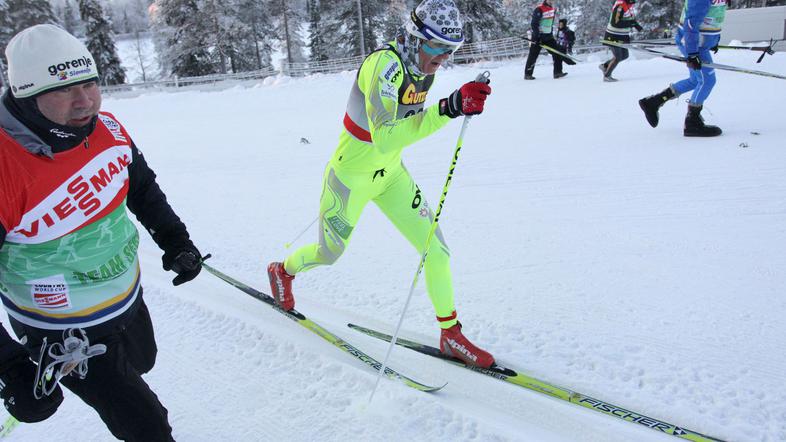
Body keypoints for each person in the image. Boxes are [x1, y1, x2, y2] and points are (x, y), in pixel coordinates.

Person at [0, 25, 202, 440]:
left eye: (90, 83)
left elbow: (142, 188)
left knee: (143, 360)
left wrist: (176, 240)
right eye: (63, 91)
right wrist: (9, 366)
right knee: (148, 426)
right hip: (59, 329)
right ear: (26, 96)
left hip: (123, 297)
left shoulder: (107, 128)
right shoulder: (6, 165)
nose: (84, 101)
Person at [267, 0, 495, 369]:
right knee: (329, 253)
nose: (443, 57)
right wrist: (450, 106)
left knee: (437, 251)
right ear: (417, 37)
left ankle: (450, 333)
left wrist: (455, 106)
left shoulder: (422, 69)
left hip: (391, 177)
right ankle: (282, 270)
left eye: (450, 50)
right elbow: (387, 136)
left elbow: (410, 129)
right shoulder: (383, 66)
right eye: (437, 47)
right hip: (350, 179)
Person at [638, 0, 726, 137]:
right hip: (693, 44)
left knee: (695, 80)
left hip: (699, 43)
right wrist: (692, 53)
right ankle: (692, 122)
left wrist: (714, 40)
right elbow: (690, 24)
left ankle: (653, 102)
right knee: (707, 81)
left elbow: (715, 15)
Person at [600, 0, 643, 82]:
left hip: (622, 36)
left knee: (625, 56)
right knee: (618, 57)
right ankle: (607, 76)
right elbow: (615, 22)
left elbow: (630, 19)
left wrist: (638, 27)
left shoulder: (628, 6)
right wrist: (630, 24)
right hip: (613, 35)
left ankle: (605, 66)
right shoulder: (620, 6)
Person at [524, 0, 567, 80]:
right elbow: (534, 24)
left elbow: (549, 23)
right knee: (533, 55)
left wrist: (551, 34)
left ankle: (558, 72)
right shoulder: (539, 9)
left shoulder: (552, 9)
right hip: (538, 37)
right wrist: (537, 36)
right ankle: (528, 74)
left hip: (548, 37)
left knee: (557, 52)